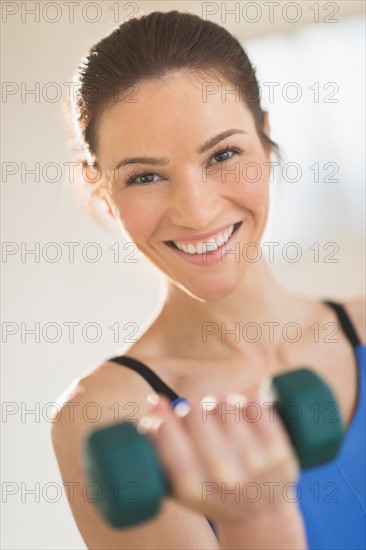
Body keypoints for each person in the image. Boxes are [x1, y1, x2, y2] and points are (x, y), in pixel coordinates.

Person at [50, 10, 366, 550]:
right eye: (145, 176)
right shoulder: (105, 418)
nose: (196, 213)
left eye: (223, 154)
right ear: (99, 188)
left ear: (264, 139)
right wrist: (257, 525)